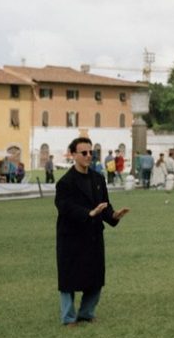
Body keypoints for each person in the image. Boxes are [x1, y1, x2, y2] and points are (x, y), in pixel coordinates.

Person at [54, 136, 128, 327]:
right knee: (69, 279)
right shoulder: (65, 183)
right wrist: (88, 213)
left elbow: (105, 206)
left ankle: (86, 313)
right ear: (73, 155)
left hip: (94, 235)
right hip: (71, 236)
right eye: (84, 153)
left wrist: (114, 215)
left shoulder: (98, 179)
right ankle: (69, 318)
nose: (89, 156)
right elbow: (65, 207)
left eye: (91, 152)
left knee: (95, 277)